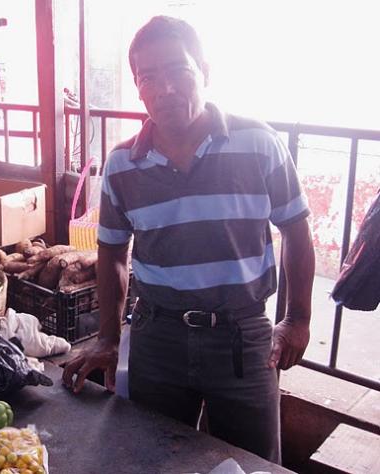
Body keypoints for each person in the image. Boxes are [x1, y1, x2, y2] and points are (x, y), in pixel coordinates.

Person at [62, 15, 315, 464]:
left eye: (178, 70)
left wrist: (297, 318)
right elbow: (113, 254)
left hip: (242, 337)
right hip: (158, 338)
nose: (164, 89)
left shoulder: (259, 144)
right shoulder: (122, 165)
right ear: (138, 87)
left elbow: (295, 228)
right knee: (152, 459)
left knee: (253, 465)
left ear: (205, 71)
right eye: (148, 78)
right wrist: (108, 338)